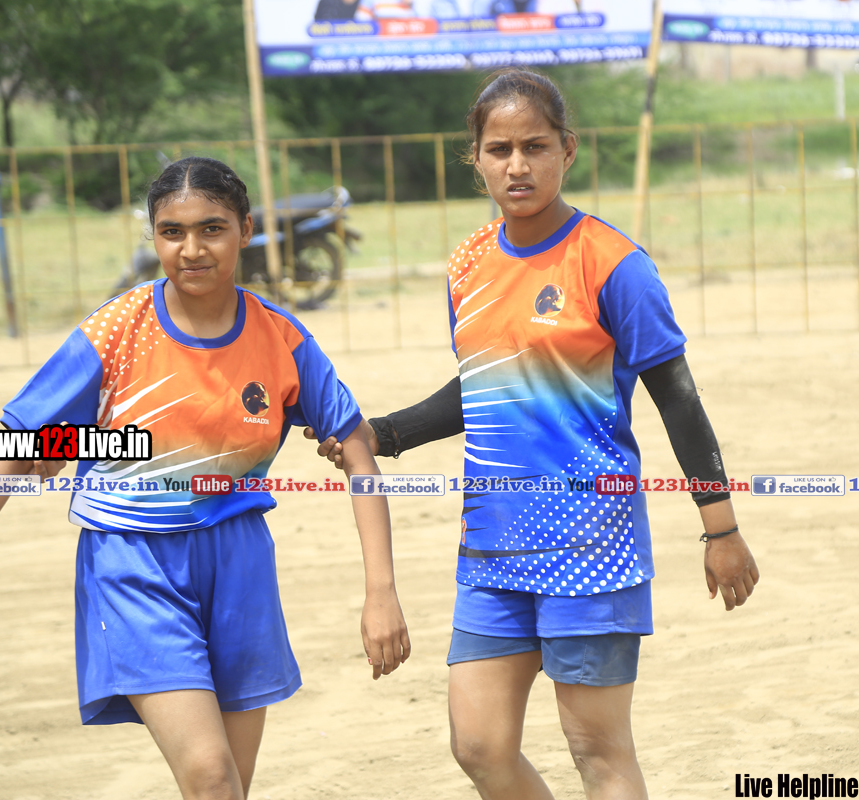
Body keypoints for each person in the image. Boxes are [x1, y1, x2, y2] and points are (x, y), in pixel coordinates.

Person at [308, 69, 759, 800]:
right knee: (479, 746)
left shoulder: (614, 264)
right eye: (499, 150)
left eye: (535, 147)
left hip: (592, 545)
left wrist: (721, 529)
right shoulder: (467, 264)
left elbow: (678, 400)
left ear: (567, 151)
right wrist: (385, 433)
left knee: (598, 752)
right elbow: (488, 383)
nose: (517, 165)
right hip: (492, 545)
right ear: (476, 159)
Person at [0, 157, 410, 800]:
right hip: (133, 564)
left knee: (228, 789)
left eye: (211, 228)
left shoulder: (281, 337)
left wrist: (381, 591)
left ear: (246, 229)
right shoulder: (116, 329)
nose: (191, 249)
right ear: (155, 237)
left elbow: (357, 450)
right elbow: (14, 447)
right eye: (172, 232)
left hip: (241, 565)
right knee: (211, 777)